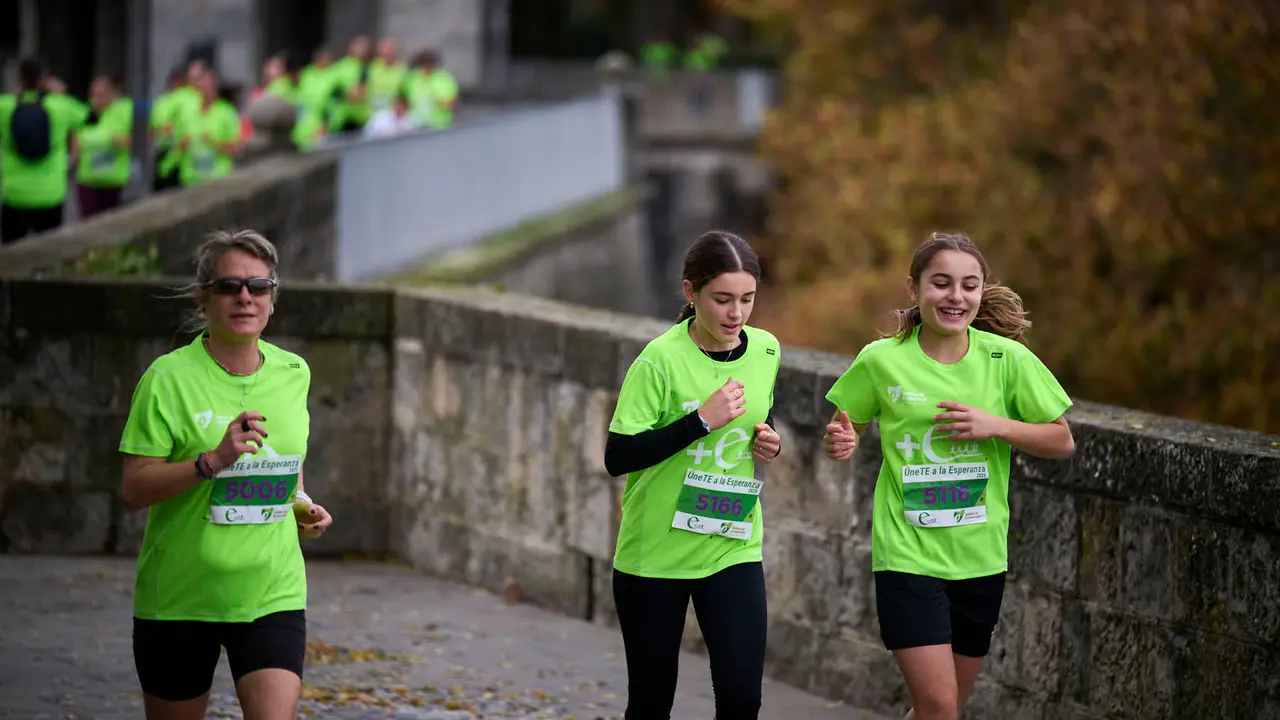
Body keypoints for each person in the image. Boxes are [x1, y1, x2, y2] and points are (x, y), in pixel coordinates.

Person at [822, 232, 1075, 720]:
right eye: (941, 284)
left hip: (980, 559)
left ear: (981, 293)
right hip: (907, 556)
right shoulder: (882, 360)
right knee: (939, 707)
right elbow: (844, 425)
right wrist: (843, 440)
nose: (956, 297)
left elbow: (1062, 439)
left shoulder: (1006, 360)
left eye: (969, 285)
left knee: (942, 710)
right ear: (914, 289)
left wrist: (995, 425)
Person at [120, 229, 334, 720]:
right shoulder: (167, 380)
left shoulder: (293, 372)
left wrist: (303, 505)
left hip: (270, 591)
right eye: (230, 286)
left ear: (272, 299)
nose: (245, 297)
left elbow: (288, 463)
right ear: (203, 297)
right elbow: (134, 489)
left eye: (258, 286)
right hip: (180, 597)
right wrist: (211, 462)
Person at [605, 230, 783, 720]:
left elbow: (765, 414)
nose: (736, 313)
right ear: (691, 293)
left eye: (747, 299)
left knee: (742, 700)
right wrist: (700, 421)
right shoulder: (658, 361)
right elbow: (618, 455)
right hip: (655, 556)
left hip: (732, 543)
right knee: (652, 702)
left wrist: (770, 437)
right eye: (722, 299)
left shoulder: (766, 350)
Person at [0, 58, 88, 243]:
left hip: (15, 194)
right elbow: (93, 117)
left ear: (19, 78)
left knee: (12, 256)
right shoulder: (61, 105)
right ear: (45, 79)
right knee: (49, 255)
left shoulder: (5, 106)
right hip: (50, 194)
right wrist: (63, 93)